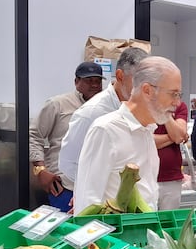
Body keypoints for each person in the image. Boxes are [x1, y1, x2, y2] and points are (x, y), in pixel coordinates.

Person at [72, 56, 182, 214]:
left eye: (179, 95)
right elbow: (87, 203)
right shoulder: (106, 130)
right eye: (173, 94)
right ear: (147, 91)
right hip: (111, 237)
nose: (177, 103)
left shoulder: (147, 131)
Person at [58, 48, 148, 183]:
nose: (143, 88)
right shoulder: (91, 113)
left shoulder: (139, 108)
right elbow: (68, 163)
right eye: (137, 81)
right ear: (120, 76)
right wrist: (98, 188)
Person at [29, 61, 104, 211]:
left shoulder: (106, 108)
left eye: (98, 81)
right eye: (89, 80)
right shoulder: (58, 104)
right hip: (63, 186)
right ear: (76, 82)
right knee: (66, 231)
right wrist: (40, 170)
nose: (94, 85)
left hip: (95, 187)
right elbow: (34, 136)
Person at [155, 99, 189, 210]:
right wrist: (175, 137)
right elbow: (147, 140)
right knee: (147, 221)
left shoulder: (180, 106)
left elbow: (179, 136)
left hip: (171, 179)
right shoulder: (145, 105)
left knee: (168, 222)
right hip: (145, 177)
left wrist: (165, 112)